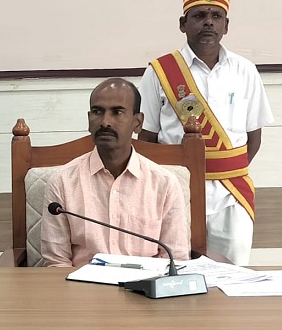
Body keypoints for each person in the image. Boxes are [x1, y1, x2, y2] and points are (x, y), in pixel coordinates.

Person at [138, 0, 274, 265]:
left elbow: (254, 138)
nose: (208, 22)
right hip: (176, 191)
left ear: (226, 25)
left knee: (233, 273)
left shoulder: (245, 70)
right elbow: (147, 139)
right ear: (183, 23)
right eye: (199, 15)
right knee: (176, 270)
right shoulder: (160, 72)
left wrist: (222, 169)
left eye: (216, 16)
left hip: (231, 195)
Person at [42, 78, 190, 267]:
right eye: (97, 112)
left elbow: (175, 259)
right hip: (80, 284)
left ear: (137, 123)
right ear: (89, 120)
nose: (105, 122)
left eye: (117, 112)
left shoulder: (164, 184)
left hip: (145, 284)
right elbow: (56, 263)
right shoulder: (62, 182)